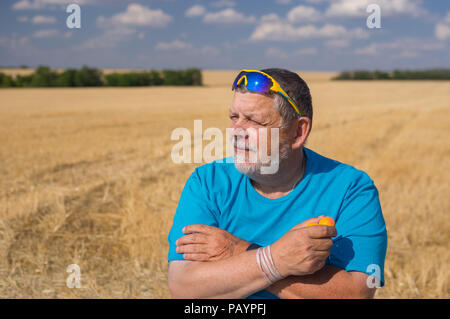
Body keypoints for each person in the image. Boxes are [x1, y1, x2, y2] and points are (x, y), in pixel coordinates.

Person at [167, 68, 388, 299]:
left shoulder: (351, 189)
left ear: (297, 132)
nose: (236, 132)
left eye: (254, 121)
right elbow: (184, 287)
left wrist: (241, 251)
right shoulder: (207, 182)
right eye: (234, 118)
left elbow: (356, 293)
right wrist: (278, 259)